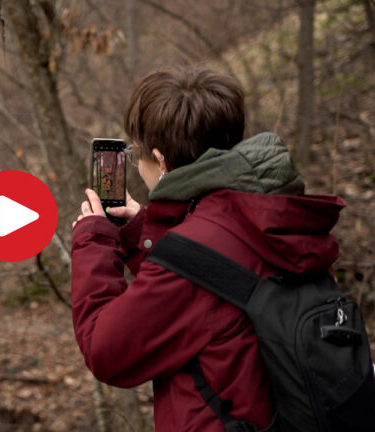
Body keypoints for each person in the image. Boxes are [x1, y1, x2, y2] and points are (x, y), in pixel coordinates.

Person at [70, 67, 345, 431]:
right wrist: (141, 231)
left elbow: (105, 352)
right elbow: (220, 288)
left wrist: (94, 240)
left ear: (161, 159)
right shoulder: (268, 212)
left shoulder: (194, 255)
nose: (136, 163)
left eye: (137, 153)